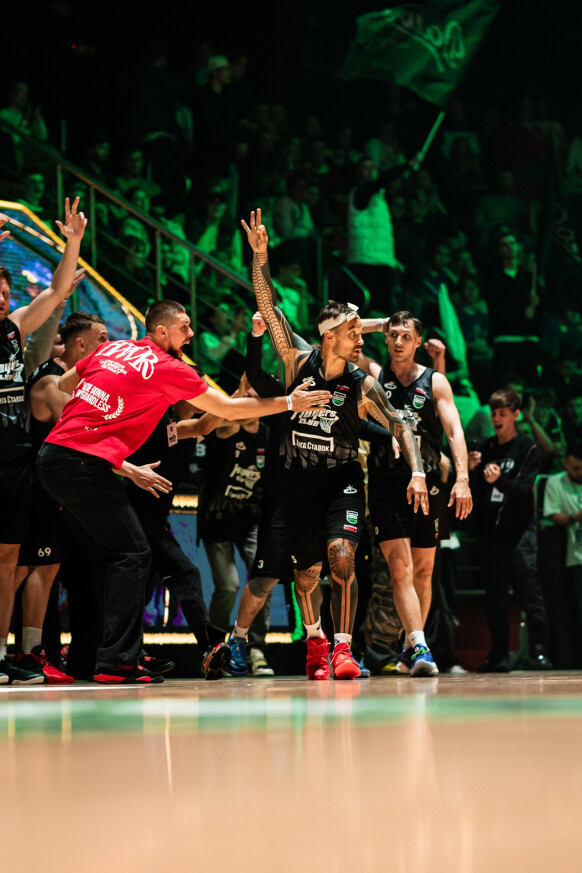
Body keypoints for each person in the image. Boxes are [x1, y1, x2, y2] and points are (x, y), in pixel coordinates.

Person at [37, 298, 330, 685]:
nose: (191, 334)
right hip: (81, 466)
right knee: (133, 554)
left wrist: (108, 420)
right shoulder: (168, 368)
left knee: (111, 559)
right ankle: (116, 662)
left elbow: (64, 384)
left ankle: (113, 655)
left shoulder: (113, 349)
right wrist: (291, 402)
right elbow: (226, 410)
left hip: (52, 459)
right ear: (162, 332)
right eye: (185, 327)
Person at [239, 209, 428, 680]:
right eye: (352, 331)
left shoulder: (363, 384)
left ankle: (343, 649)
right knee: (306, 575)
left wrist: (417, 470)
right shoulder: (295, 359)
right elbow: (268, 305)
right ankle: (316, 641)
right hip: (297, 482)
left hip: (342, 479)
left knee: (342, 557)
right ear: (328, 337)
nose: (360, 338)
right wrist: (260, 257)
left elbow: (401, 425)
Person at [0, 197, 87, 686]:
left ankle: (2, 655)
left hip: (15, 464)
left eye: (4, 291)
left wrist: (72, 244)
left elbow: (55, 292)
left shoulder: (13, 329)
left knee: (8, 561)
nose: (1, 298)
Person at [359, 311, 472, 675]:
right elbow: (340, 332)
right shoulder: (374, 373)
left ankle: (411, 648)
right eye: (392, 334)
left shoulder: (435, 381)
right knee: (399, 567)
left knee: (423, 571)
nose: (398, 341)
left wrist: (463, 479)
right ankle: (420, 645)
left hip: (429, 482)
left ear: (418, 341)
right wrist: (380, 322)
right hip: (386, 481)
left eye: (405, 336)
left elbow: (454, 432)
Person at [15, 311, 108, 684]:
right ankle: (28, 653)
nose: (108, 346)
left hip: (54, 492)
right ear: (80, 344)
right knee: (23, 571)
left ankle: (32, 652)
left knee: (45, 568)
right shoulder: (51, 379)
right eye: (102, 339)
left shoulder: (71, 379)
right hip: (34, 488)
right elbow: (79, 432)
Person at [469, 388, 552, 672]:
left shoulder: (528, 448)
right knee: (495, 597)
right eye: (493, 413)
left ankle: (539, 650)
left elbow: (523, 490)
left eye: (502, 414)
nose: (496, 419)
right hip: (491, 535)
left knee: (529, 590)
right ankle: (499, 653)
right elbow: (478, 494)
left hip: (519, 533)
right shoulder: (487, 448)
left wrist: (499, 481)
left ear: (516, 415)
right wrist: (472, 470)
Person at [543, 444, 582, 666]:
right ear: (565, 463)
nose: (580, 473)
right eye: (576, 468)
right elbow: (551, 515)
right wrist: (575, 517)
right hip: (574, 555)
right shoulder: (555, 482)